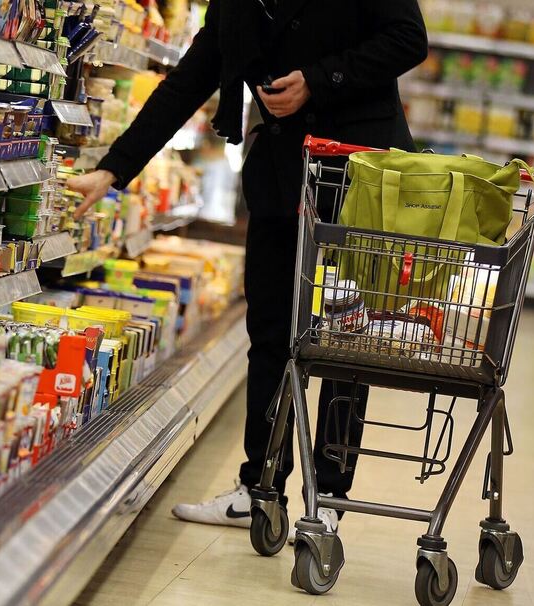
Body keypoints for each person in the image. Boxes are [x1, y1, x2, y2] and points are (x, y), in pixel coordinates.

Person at [67, 0, 428, 538]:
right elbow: (192, 75)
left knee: (344, 338)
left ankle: (328, 494)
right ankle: (259, 487)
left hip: (359, 175)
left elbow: (407, 39)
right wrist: (114, 168)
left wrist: (318, 80)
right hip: (282, 173)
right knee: (269, 332)